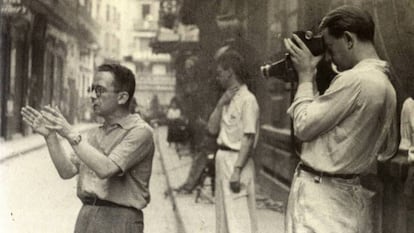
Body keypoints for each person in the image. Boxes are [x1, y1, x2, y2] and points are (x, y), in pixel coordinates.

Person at [283, 5, 398, 233]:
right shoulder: (386, 85)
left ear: (348, 39)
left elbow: (303, 126)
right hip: (348, 194)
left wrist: (305, 77)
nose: (328, 56)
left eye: (330, 47)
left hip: (322, 197)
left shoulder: (355, 80)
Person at [21, 64, 154, 233]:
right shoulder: (94, 134)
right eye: (91, 89)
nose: (92, 96)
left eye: (99, 90)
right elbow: (67, 171)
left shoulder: (140, 132)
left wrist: (70, 132)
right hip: (87, 216)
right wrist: (50, 136)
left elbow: (106, 168)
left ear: (122, 97)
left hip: (119, 220)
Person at [208, 50, 259, 233]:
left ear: (230, 72)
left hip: (238, 160)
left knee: (239, 218)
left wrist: (237, 170)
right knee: (224, 217)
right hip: (223, 159)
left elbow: (249, 137)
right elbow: (212, 129)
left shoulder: (248, 100)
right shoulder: (227, 99)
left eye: (220, 73)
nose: (217, 77)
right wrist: (221, 103)